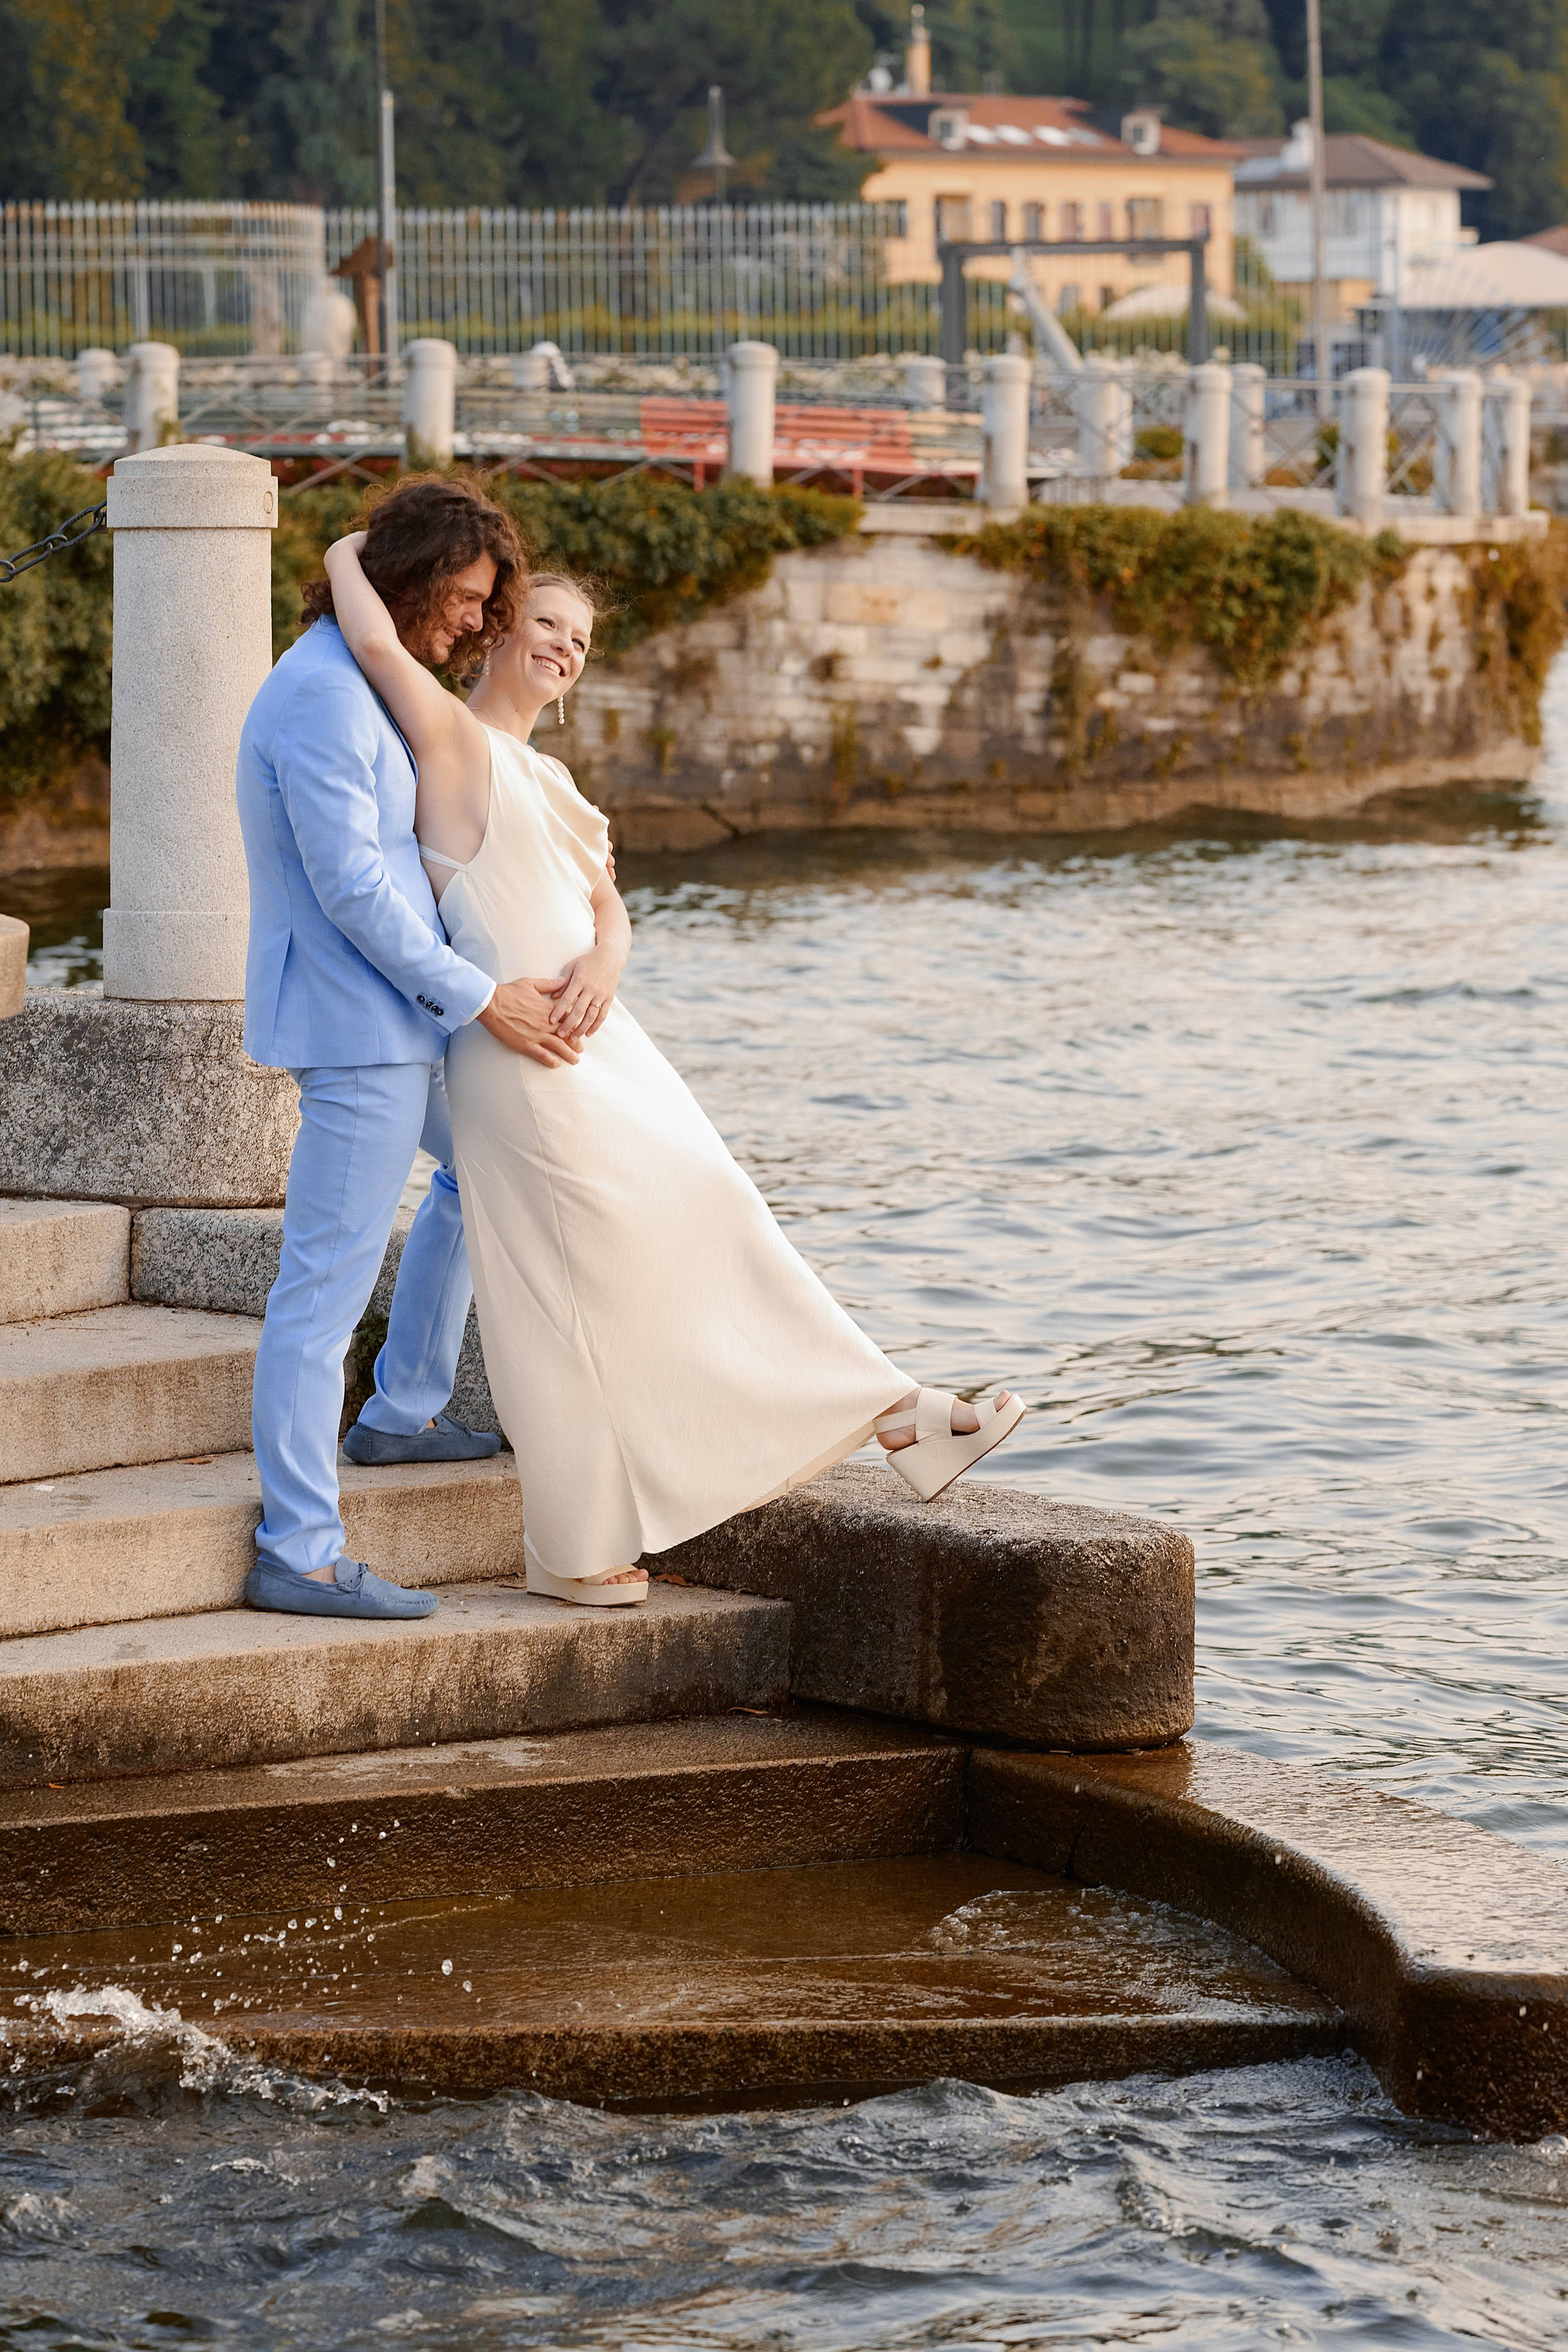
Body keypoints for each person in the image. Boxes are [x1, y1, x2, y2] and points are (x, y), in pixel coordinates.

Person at [318, 532, 1027, 1605]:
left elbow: (609, 910)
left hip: (599, 1037)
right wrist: (349, 543)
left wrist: (605, 959)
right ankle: (890, 1412)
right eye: (546, 623)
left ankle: (573, 1545)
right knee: (603, 1263)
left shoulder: (553, 777)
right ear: (494, 631)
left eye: (583, 639)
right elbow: (371, 638)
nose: (565, 646)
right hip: (521, 1049)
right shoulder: (456, 747)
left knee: (676, 1225)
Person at [236, 477, 583, 1623]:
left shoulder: (361, 669)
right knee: (320, 1293)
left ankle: (400, 1413)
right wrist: (483, 996)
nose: (480, 624)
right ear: (418, 575)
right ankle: (298, 1546)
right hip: (360, 1031)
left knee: (482, 1172)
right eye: (470, 597)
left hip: (403, 1018)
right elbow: (353, 896)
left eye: (495, 604)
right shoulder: (322, 702)